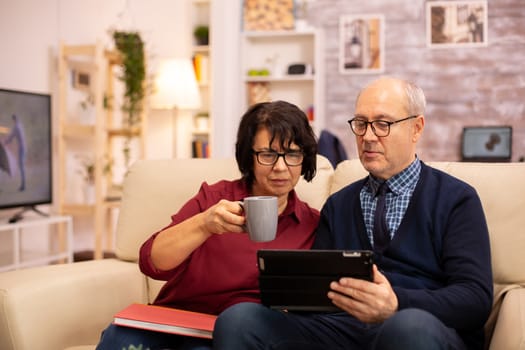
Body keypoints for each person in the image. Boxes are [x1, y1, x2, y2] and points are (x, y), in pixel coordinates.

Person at [213, 76, 493, 350]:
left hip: (420, 326)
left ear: (416, 128)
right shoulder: (339, 204)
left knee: (408, 327)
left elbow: (475, 299)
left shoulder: (456, 198)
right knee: (239, 320)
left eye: (382, 124)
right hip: (343, 330)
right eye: (360, 124)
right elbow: (316, 297)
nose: (368, 136)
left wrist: (396, 303)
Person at [96, 100, 320, 350]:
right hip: (173, 322)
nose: (280, 167)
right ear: (249, 156)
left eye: (291, 154)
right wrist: (204, 224)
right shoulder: (214, 198)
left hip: (232, 335)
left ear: (304, 158)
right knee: (119, 338)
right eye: (267, 154)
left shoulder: (312, 224)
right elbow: (152, 262)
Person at [3, 114, 27, 191]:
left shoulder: (16, 127)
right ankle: (23, 185)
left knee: (21, 166)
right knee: (21, 166)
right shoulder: (20, 125)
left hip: (22, 148)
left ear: (14, 120)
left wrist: (5, 142)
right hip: (24, 147)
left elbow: (11, 137)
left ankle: (23, 186)